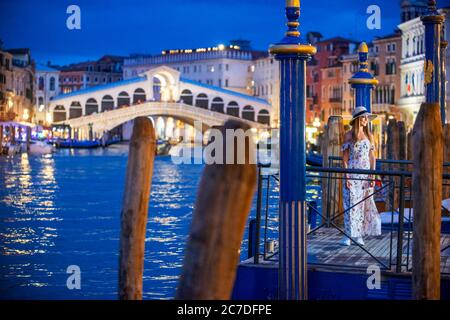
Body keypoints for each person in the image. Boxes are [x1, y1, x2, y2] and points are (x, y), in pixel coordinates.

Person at [341, 106, 381, 246]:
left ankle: (358, 236)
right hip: (351, 175)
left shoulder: (369, 135)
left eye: (366, 118)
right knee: (350, 205)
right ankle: (348, 235)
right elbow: (345, 159)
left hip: (365, 176)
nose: (366, 120)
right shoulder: (348, 135)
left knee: (363, 205)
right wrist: (346, 177)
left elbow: (372, 158)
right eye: (364, 117)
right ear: (358, 119)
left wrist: (372, 175)